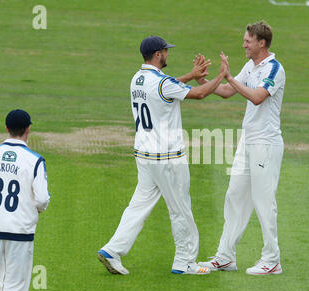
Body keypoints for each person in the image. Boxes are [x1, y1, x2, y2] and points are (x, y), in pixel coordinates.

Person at [97, 36, 229, 275]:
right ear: (158, 54)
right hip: (167, 158)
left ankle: (112, 250)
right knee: (180, 209)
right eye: (165, 51)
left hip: (144, 156)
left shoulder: (137, 79)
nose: (168, 54)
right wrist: (221, 75)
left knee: (137, 207)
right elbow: (198, 94)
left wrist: (189, 75)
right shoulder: (161, 83)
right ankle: (185, 262)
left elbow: (166, 87)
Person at [198, 21, 286, 275]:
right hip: (247, 142)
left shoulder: (274, 69)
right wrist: (209, 80)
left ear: (262, 43)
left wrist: (228, 77)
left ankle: (272, 260)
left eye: (248, 40)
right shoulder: (251, 65)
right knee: (234, 196)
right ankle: (225, 256)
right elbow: (227, 91)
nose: (244, 44)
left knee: (263, 200)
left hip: (265, 144)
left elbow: (257, 97)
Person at [0, 109, 50, 291]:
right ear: (28, 129)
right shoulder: (34, 160)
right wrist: (38, 208)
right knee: (15, 289)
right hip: (20, 231)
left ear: (6, 128)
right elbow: (43, 199)